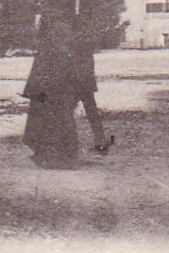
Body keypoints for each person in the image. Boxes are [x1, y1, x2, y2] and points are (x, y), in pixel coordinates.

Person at [22, 9, 81, 169]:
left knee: (52, 119)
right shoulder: (61, 33)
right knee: (59, 119)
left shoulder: (52, 39)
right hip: (59, 87)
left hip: (54, 87)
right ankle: (63, 157)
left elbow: (44, 67)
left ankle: (57, 158)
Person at [72, 12, 113, 155]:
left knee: (70, 110)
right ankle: (100, 140)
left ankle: (97, 141)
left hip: (76, 77)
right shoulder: (86, 37)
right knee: (90, 109)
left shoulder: (75, 37)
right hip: (83, 77)